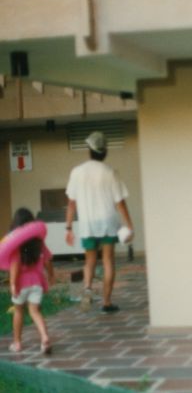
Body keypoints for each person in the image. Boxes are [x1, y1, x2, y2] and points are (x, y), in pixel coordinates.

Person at [65, 131, 134, 314]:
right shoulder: (110, 172)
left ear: (89, 149)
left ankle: (87, 290)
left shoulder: (77, 172)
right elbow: (120, 202)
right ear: (104, 151)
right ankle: (106, 302)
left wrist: (69, 227)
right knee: (108, 261)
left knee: (89, 261)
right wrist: (129, 225)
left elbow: (71, 202)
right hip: (108, 222)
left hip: (88, 223)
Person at [8, 208, 55, 354]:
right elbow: (47, 261)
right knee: (35, 311)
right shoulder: (38, 242)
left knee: (18, 311)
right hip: (37, 283)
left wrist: (13, 283)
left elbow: (15, 265)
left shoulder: (16, 244)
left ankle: (17, 343)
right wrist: (51, 275)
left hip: (21, 284)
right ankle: (44, 337)